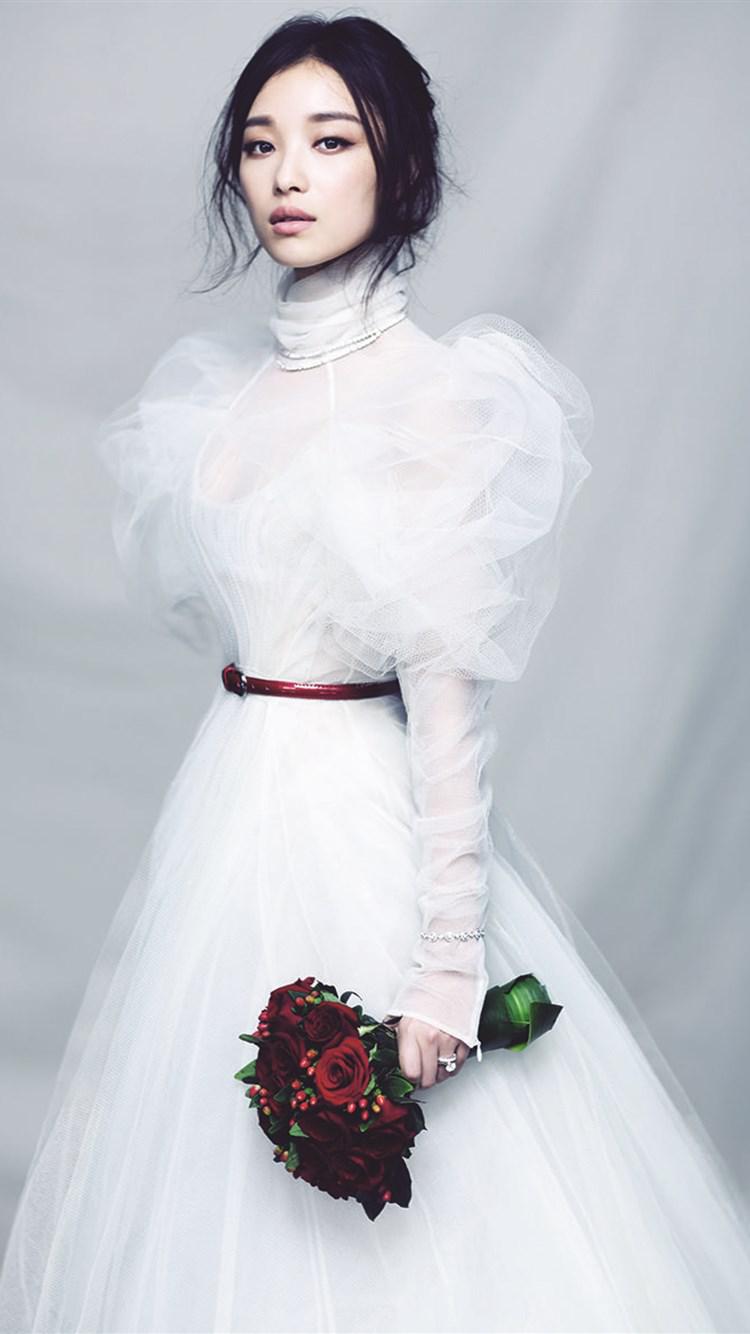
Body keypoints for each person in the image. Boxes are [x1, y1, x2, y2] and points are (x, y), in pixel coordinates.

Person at [2, 12, 750, 1333]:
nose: (287, 174)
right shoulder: (217, 402)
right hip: (230, 809)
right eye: (259, 145)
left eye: (330, 141)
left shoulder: (435, 398)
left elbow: (448, 707)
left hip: (364, 820)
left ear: (397, 161)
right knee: (215, 1193)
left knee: (416, 1227)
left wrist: (447, 962)